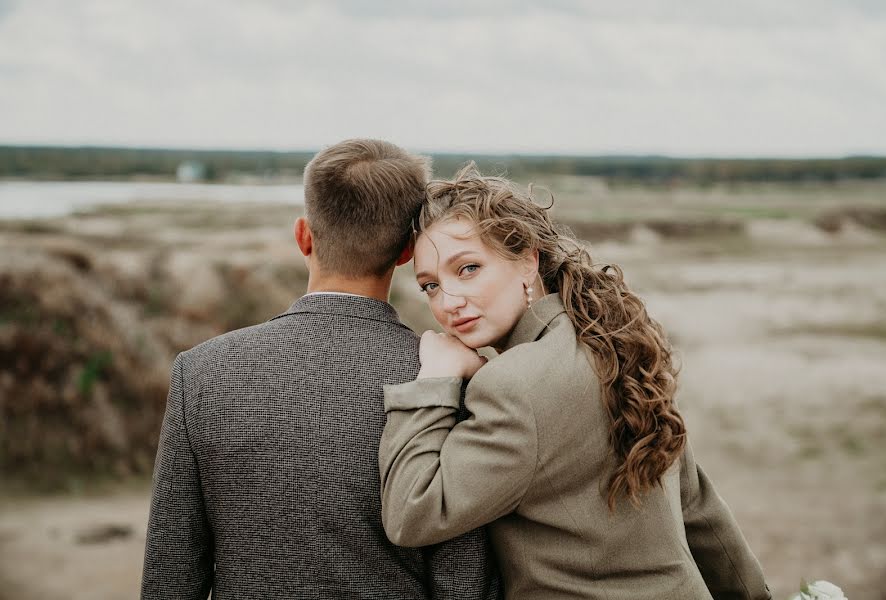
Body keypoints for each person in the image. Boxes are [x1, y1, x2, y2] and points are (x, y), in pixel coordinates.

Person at [378, 164, 772, 600]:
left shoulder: (513, 386)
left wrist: (434, 381)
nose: (448, 302)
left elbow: (411, 514)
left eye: (468, 268)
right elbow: (697, 508)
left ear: (527, 262)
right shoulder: (616, 344)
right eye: (430, 286)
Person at [141, 140, 501, 600]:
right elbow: (465, 584)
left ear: (304, 236)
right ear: (408, 251)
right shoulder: (447, 381)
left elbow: (170, 579)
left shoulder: (201, 373)